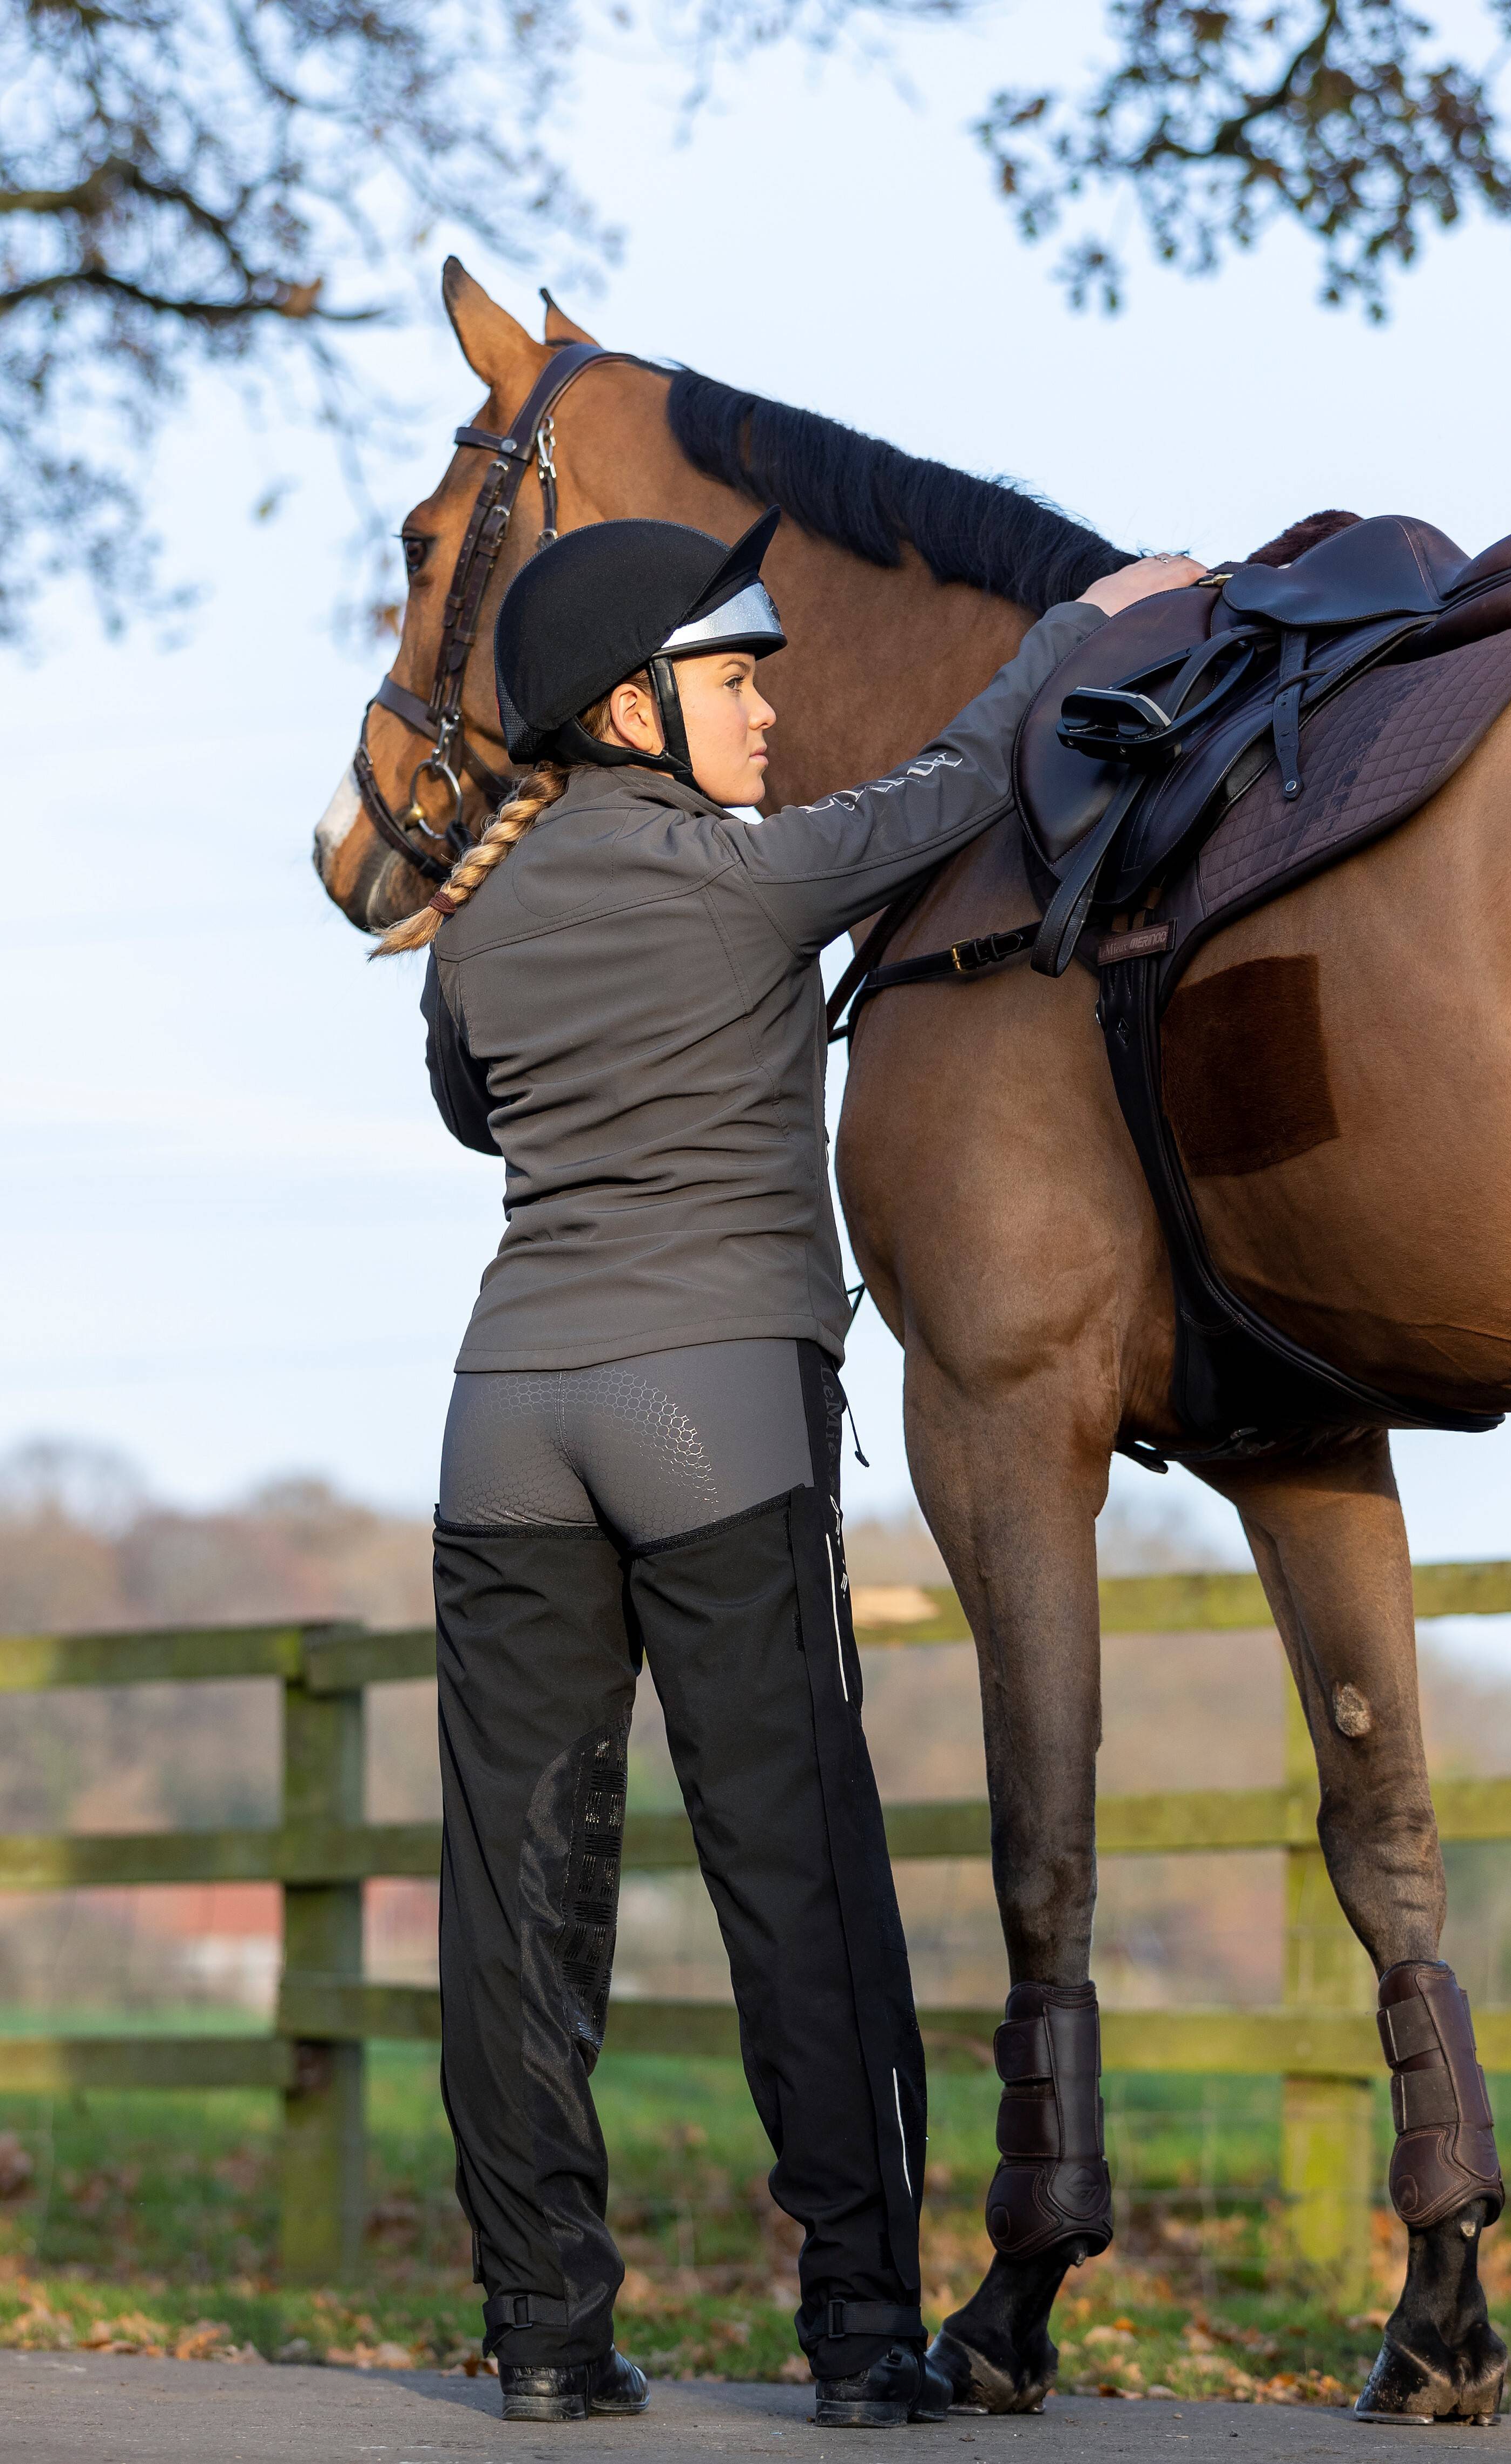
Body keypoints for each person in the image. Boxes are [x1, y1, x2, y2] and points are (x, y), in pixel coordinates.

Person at [379, 504, 1202, 2428]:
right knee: (799, 1878)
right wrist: (1084, 616)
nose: (770, 703)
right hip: (709, 1416)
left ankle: (545, 2339)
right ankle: (854, 2333)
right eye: (733, 676)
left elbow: (469, 1096)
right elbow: (966, 774)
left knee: (512, 1896)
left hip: (504, 1418)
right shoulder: (754, 880)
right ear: (630, 708)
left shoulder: (475, 930)